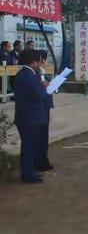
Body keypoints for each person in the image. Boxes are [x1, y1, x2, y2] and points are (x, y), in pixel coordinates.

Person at [13, 50, 50, 183]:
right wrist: (44, 87)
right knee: (29, 147)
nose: (40, 63)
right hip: (29, 118)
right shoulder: (28, 75)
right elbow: (39, 95)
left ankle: (30, 172)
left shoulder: (24, 74)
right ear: (33, 62)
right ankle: (28, 175)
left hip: (27, 116)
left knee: (30, 146)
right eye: (38, 61)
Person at [35, 50, 54, 172]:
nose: (45, 62)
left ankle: (44, 160)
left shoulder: (43, 72)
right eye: (45, 59)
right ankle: (40, 162)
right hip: (39, 108)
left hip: (45, 106)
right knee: (40, 136)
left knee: (44, 136)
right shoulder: (35, 74)